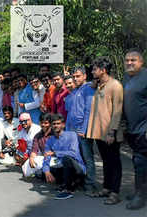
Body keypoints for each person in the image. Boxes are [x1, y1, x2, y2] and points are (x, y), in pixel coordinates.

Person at [87, 56, 123, 205]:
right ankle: (107, 188)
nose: (92, 72)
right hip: (99, 132)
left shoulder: (115, 86)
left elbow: (117, 111)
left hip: (110, 133)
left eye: (95, 69)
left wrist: (112, 132)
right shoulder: (100, 85)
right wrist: (95, 83)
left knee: (114, 162)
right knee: (106, 162)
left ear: (103, 70)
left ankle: (115, 193)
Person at [65, 67, 96, 195]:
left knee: (87, 157)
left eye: (78, 76)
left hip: (82, 130)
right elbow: (70, 113)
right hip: (72, 131)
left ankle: (90, 185)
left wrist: (84, 129)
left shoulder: (88, 89)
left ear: (84, 76)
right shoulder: (73, 92)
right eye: (74, 76)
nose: (75, 79)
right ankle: (80, 181)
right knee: (76, 156)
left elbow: (89, 111)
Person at [122, 49, 147, 210]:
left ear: (141, 62)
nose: (129, 63)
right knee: (138, 161)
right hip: (132, 130)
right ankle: (141, 191)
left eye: (133, 60)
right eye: (127, 60)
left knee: (140, 162)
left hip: (144, 129)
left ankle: (140, 196)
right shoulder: (126, 78)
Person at [43, 114, 86, 200]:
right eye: (54, 124)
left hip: (77, 168)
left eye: (58, 123)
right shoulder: (50, 140)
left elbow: (74, 153)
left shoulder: (72, 135)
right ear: (51, 126)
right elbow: (46, 157)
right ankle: (66, 183)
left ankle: (67, 190)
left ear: (63, 125)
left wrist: (55, 153)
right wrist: (46, 171)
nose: (56, 126)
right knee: (42, 171)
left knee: (66, 158)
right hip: (62, 167)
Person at [22, 113, 53, 178]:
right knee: (26, 169)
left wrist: (52, 153)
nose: (43, 125)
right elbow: (34, 150)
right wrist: (31, 158)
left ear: (50, 124)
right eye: (42, 123)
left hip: (56, 158)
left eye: (46, 123)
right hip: (45, 158)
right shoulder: (38, 136)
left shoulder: (55, 134)